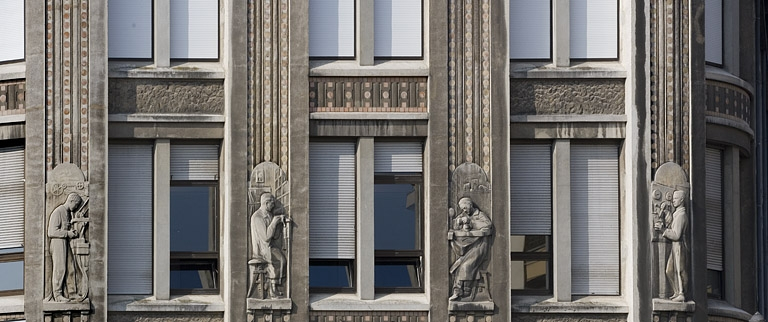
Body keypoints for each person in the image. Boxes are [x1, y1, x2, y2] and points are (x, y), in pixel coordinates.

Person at [448, 197, 492, 301]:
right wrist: (458, 221)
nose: (464, 210)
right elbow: (454, 225)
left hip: (479, 247)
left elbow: (488, 224)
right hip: (468, 247)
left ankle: (466, 292)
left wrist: (471, 222)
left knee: (466, 266)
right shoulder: (463, 215)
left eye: (465, 208)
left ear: (471, 206)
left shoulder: (479, 214)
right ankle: (457, 291)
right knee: (457, 265)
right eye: (462, 209)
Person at [250, 193, 289, 298]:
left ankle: (273, 286)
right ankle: (272, 289)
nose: (274, 205)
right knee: (280, 260)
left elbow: (274, 237)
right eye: (272, 203)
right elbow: (266, 237)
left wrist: (279, 225)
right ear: (266, 203)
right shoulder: (257, 217)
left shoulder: (269, 215)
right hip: (261, 250)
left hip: (269, 247)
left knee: (282, 260)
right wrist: (274, 223)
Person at [47, 193, 82, 302]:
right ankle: (57, 295)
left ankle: (72, 293)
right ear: (71, 201)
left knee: (70, 267)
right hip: (58, 242)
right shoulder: (58, 212)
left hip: (64, 242)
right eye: (76, 205)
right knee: (60, 268)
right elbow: (51, 232)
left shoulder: (67, 213)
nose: (75, 208)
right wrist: (68, 233)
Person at [660, 190, 689, 302]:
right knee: (669, 270)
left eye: (675, 198)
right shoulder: (677, 214)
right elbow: (672, 226)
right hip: (675, 246)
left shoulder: (682, 216)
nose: (673, 200)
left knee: (679, 269)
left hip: (680, 246)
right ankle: (676, 291)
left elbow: (676, 235)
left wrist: (664, 230)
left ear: (681, 200)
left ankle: (682, 293)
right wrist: (667, 213)